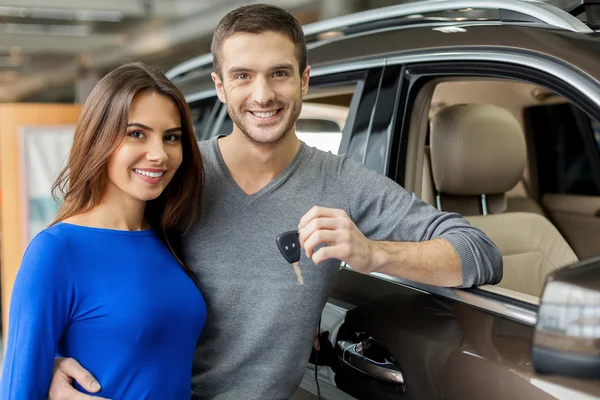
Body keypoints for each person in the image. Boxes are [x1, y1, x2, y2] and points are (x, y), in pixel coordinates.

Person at [48, 4, 503, 400]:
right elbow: (79, 259)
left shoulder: (340, 181)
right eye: (242, 75)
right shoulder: (177, 170)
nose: (262, 94)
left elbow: (478, 252)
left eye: (279, 73)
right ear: (220, 86)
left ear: (304, 80)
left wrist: (373, 252)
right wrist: (49, 361)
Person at [0, 63, 207, 399]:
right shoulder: (56, 250)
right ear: (99, 139)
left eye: (171, 137)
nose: (158, 154)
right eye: (136, 134)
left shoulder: (169, 239)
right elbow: (17, 389)